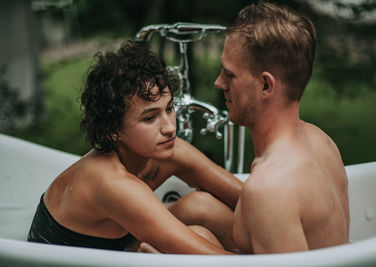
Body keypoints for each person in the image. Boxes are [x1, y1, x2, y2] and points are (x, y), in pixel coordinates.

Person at [27, 40, 242, 254]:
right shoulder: (111, 182)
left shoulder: (166, 151)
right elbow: (217, 259)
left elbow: (247, 200)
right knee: (200, 238)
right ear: (113, 130)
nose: (169, 128)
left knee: (201, 205)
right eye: (150, 118)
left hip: (119, 249)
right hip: (64, 261)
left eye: (169, 109)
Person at [213, 2, 350, 254]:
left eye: (229, 74)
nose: (219, 82)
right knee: (199, 210)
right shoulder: (322, 141)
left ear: (266, 85)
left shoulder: (269, 188)